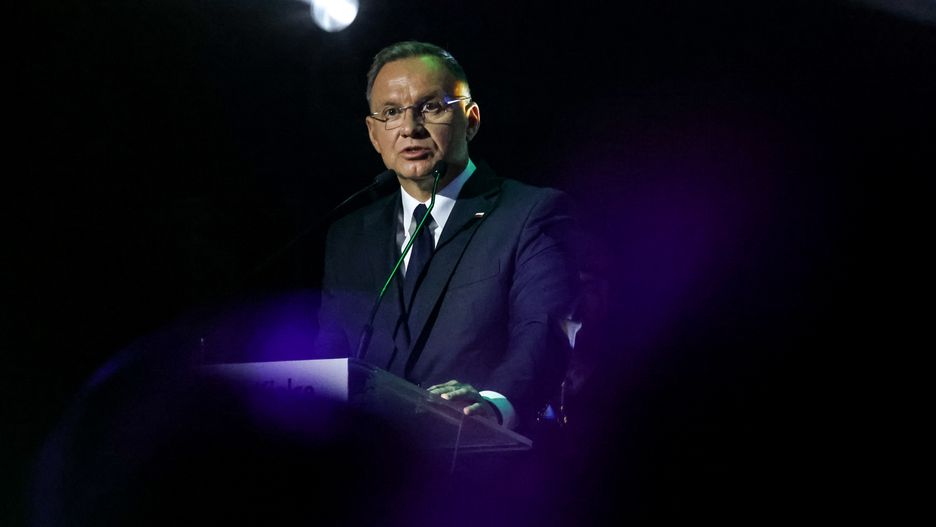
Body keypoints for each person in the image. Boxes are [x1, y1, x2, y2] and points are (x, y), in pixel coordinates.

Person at [317, 41, 579, 430]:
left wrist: (492, 407)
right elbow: (331, 354)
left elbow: (541, 330)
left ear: (471, 120)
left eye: (431, 107)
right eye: (391, 112)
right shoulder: (349, 235)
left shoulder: (529, 213)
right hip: (369, 467)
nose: (410, 128)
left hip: (478, 467)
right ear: (374, 135)